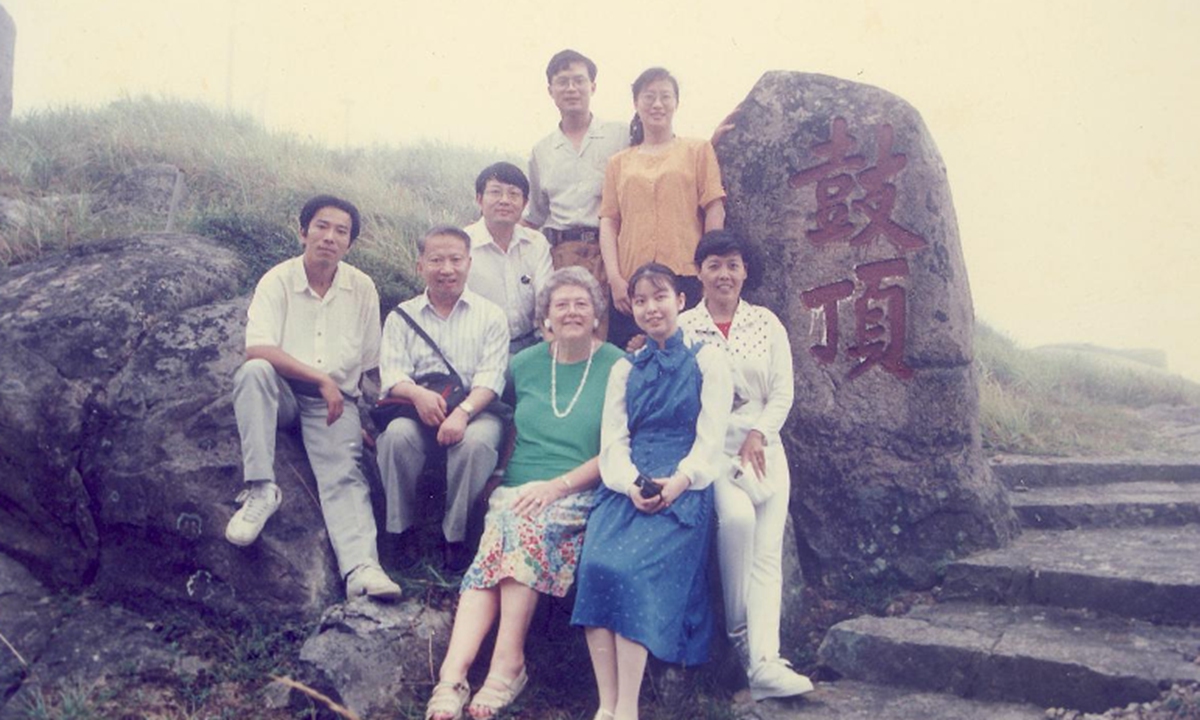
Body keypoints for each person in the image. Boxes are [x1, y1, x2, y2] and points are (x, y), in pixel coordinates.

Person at [424, 268, 624, 720]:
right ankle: (452, 676)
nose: (571, 312)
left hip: (576, 491)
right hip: (517, 489)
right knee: (499, 543)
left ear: (596, 314)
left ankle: (507, 663)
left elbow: (618, 449)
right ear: (545, 317)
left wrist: (555, 487)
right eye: (561, 305)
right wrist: (498, 474)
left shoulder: (618, 366)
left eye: (582, 304)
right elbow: (508, 420)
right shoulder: (524, 364)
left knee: (520, 527)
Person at [571, 263, 732, 720]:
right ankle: (606, 705)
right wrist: (629, 484)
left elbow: (712, 438)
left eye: (660, 297)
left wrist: (680, 480)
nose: (651, 308)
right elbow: (613, 441)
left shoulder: (707, 359)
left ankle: (627, 708)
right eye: (640, 301)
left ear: (680, 301)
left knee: (633, 572)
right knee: (597, 565)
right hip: (628, 485)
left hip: (683, 486)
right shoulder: (625, 368)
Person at [225, 194, 401, 601]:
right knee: (253, 373)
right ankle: (260, 489)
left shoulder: (362, 288)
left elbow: (370, 365)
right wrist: (319, 378)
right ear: (303, 231)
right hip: (284, 391)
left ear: (349, 243)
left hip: (335, 403)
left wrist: (364, 420)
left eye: (341, 231)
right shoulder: (278, 279)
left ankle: (361, 569)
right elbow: (258, 349)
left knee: (344, 473)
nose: (330, 237)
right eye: (321, 226)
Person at [679, 231, 813, 701]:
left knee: (767, 554)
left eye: (733, 265)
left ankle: (765, 662)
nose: (724, 274)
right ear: (699, 272)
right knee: (736, 522)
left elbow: (782, 391)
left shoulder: (766, 323)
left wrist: (760, 432)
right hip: (715, 450)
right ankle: (744, 644)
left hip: (763, 449)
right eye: (714, 265)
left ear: (745, 272)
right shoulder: (684, 327)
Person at [377, 226, 509, 573]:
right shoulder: (401, 316)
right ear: (420, 265)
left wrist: (463, 413)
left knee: (475, 444)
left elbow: (491, 378)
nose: (446, 269)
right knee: (396, 438)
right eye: (436, 260)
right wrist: (417, 394)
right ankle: (400, 531)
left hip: (476, 409)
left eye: (455, 259)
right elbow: (392, 374)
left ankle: (456, 536)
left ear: (469, 263)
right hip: (417, 409)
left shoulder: (491, 315)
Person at [597, 67, 726, 350]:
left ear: (676, 103)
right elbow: (609, 222)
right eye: (649, 96)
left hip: (686, 275)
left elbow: (714, 209)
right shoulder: (618, 163)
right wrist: (615, 279)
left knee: (688, 355)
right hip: (632, 281)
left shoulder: (698, 150)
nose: (657, 104)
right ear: (636, 103)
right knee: (630, 359)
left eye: (665, 96)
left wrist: (709, 268)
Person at [524, 49, 629, 339]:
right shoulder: (542, 151)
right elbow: (535, 215)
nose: (571, 88)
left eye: (579, 80)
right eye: (563, 82)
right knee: (566, 337)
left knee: (609, 338)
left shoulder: (620, 135)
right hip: (562, 255)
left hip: (611, 254)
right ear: (550, 90)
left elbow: (661, 150)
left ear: (593, 86)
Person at [465, 162, 553, 356]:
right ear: (479, 199)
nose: (504, 201)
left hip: (531, 344)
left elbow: (546, 298)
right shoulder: (463, 245)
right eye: (495, 192)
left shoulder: (536, 243)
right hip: (479, 348)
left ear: (525, 203)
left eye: (513, 194)